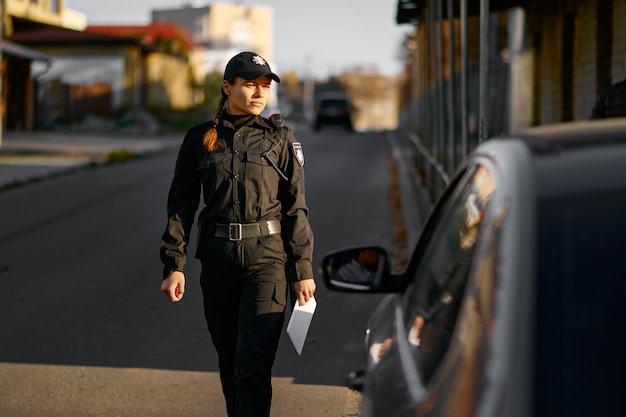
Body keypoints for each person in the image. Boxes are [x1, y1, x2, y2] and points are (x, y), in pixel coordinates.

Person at [159, 51, 316, 417]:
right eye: (249, 84)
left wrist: (302, 269)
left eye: (264, 86)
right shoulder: (199, 138)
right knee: (230, 364)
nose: (259, 93)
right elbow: (181, 204)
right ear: (227, 87)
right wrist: (174, 264)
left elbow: (296, 208)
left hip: (268, 263)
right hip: (218, 262)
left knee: (252, 367)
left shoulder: (280, 138)